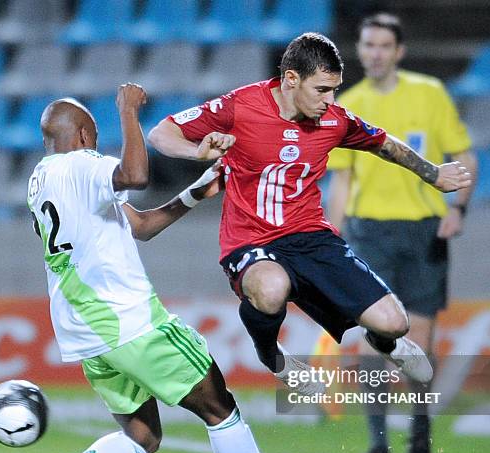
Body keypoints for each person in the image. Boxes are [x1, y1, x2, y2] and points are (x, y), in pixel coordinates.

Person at [0, 84, 325, 453]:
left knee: (142, 435)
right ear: (86, 137)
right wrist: (129, 112)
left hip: (86, 333)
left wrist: (195, 192)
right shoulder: (83, 165)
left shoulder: (43, 180)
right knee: (220, 407)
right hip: (129, 321)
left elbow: (143, 226)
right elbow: (134, 176)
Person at [148, 33, 471, 406]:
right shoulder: (239, 106)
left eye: (334, 89)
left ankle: (386, 343)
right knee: (270, 288)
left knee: (395, 322)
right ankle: (275, 359)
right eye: (321, 90)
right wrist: (196, 151)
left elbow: (384, 144)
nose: (329, 100)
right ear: (290, 80)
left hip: (311, 236)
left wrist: (432, 174)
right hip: (249, 239)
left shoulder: (334, 120)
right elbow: (162, 133)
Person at [325, 14, 477, 453]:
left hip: (423, 229)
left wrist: (458, 209)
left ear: (398, 51)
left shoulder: (428, 94)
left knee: (421, 339)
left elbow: (463, 155)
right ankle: (378, 442)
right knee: (376, 338)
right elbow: (342, 182)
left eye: (382, 46)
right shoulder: (347, 105)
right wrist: (335, 237)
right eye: (367, 45)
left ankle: (420, 431)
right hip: (369, 230)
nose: (374, 53)